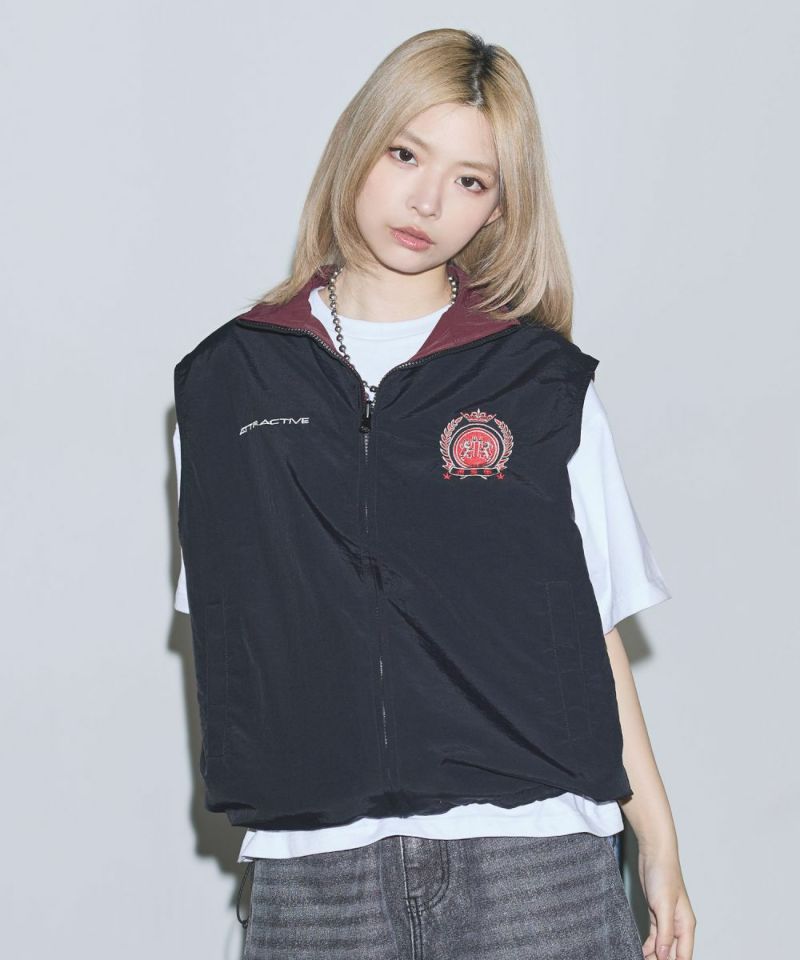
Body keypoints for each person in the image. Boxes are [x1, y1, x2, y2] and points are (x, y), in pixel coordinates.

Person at [172, 27, 696, 960]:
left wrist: (657, 839)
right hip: (316, 877)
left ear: (499, 207)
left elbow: (593, 626)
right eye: (406, 154)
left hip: (537, 865)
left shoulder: (539, 381)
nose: (427, 202)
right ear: (357, 146)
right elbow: (229, 628)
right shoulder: (225, 385)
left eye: (471, 180)